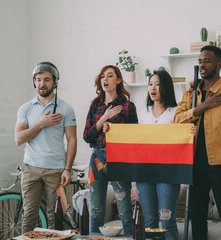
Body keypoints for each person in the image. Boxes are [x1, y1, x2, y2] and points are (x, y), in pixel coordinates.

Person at [174, 45, 221, 240]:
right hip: (194, 164)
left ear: (218, 64)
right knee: (197, 214)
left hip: (220, 164)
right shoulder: (192, 93)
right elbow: (178, 119)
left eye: (207, 61)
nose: (202, 65)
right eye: (200, 61)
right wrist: (203, 106)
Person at [15, 62, 77, 233]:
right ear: (34, 82)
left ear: (55, 82)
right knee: (28, 216)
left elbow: (72, 140)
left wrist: (68, 169)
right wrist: (41, 124)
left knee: (56, 216)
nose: (42, 84)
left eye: (47, 80)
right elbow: (19, 139)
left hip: (56, 169)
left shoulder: (66, 108)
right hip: (30, 168)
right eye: (38, 79)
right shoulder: (25, 108)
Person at [136, 70, 196, 240]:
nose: (153, 88)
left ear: (166, 87)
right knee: (149, 223)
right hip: (144, 173)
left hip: (168, 174)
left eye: (157, 84)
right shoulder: (142, 112)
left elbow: (184, 137)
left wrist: (191, 132)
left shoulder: (175, 112)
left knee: (167, 221)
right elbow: (133, 139)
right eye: (150, 84)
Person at [83, 65, 138, 235]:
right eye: (102, 77)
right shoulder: (95, 105)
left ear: (119, 79)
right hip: (97, 158)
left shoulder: (128, 106)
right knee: (97, 209)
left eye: (110, 76)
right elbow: (87, 136)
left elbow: (134, 138)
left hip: (119, 160)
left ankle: (129, 237)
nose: (105, 80)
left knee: (124, 209)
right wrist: (104, 119)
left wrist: (114, 131)